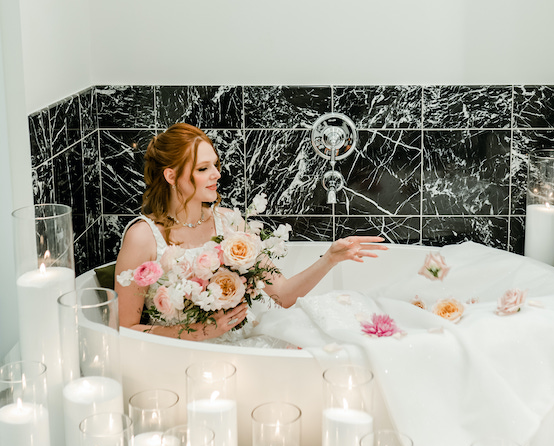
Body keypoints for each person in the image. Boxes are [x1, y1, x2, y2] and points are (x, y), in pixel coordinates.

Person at [115, 123, 387, 341]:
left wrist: (330, 258)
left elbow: (283, 295)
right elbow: (125, 329)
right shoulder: (144, 237)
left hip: (243, 343)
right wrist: (201, 333)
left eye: (215, 165)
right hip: (183, 355)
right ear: (171, 176)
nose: (217, 175)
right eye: (202, 169)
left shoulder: (230, 223)